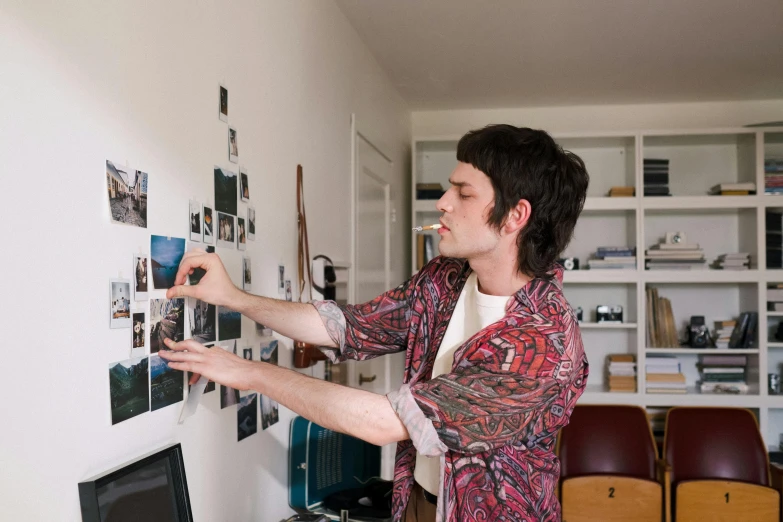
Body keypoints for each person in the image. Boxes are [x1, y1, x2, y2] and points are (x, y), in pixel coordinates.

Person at [160, 124, 590, 522]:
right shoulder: (446, 277)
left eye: (463, 193)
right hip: (419, 501)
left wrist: (249, 372)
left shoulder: (545, 342)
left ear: (515, 216)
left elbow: (385, 422)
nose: (443, 202)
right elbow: (345, 327)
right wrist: (233, 298)